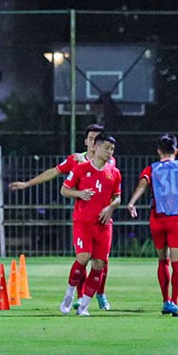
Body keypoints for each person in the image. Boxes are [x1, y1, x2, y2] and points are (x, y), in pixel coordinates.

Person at [9, 123, 111, 308]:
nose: (94, 143)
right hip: (84, 218)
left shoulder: (109, 162)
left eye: (97, 139)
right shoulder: (77, 160)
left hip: (102, 218)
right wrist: (27, 184)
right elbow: (54, 172)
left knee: (102, 261)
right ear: (86, 141)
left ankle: (100, 294)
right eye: (91, 139)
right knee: (83, 257)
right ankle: (80, 297)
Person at [126, 134, 178, 317]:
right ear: (176, 150)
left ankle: (165, 299)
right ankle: (174, 301)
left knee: (162, 260)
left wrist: (132, 202)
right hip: (177, 218)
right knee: (177, 262)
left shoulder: (152, 168)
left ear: (158, 151)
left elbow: (142, 185)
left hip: (158, 218)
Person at [59, 134, 122, 316]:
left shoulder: (114, 173)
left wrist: (110, 207)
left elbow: (117, 197)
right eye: (107, 148)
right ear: (96, 147)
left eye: (112, 149)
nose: (110, 152)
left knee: (99, 263)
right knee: (83, 257)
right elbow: (64, 190)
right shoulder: (81, 169)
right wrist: (79, 194)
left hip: (104, 225)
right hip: (83, 223)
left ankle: (84, 305)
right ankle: (69, 294)